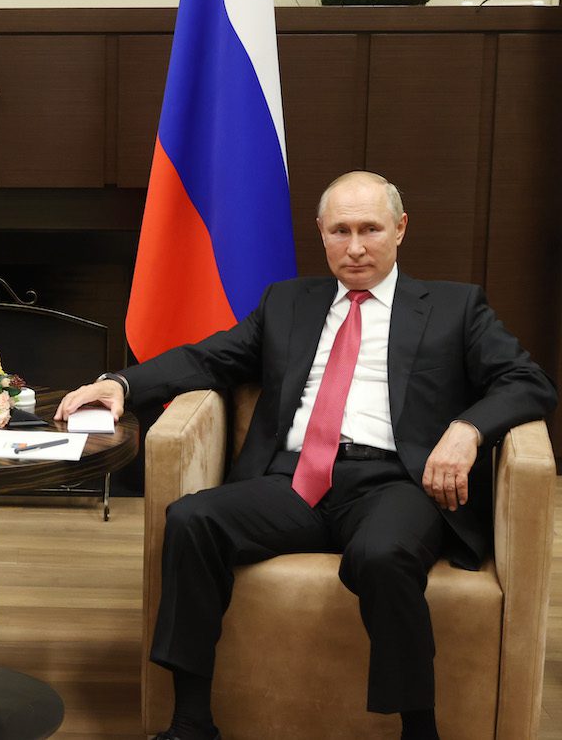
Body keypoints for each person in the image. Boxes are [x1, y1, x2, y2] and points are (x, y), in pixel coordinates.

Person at [56, 171, 556, 740]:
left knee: (383, 554)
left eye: (370, 229)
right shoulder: (288, 302)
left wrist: (468, 429)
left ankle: (419, 729)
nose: (356, 246)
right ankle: (191, 721)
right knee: (192, 519)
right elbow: (207, 359)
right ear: (321, 232)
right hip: (293, 482)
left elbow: (529, 382)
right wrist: (120, 383)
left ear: (400, 229)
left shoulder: (454, 306)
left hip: (394, 484)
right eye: (340, 231)